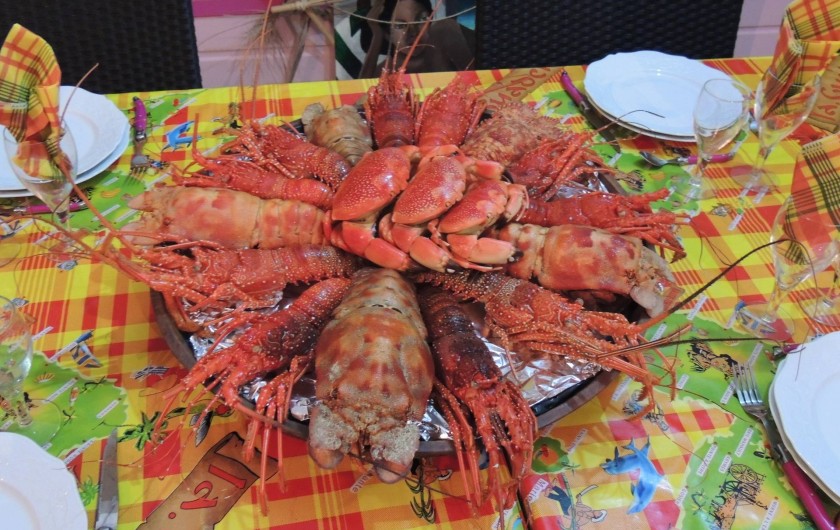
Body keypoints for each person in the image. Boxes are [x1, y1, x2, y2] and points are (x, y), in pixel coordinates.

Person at [365, 0, 475, 76]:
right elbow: (360, 97)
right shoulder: (386, 69)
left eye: (421, 20)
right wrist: (377, 35)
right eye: (400, 25)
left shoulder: (445, 31)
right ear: (387, 35)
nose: (413, 32)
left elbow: (480, 79)